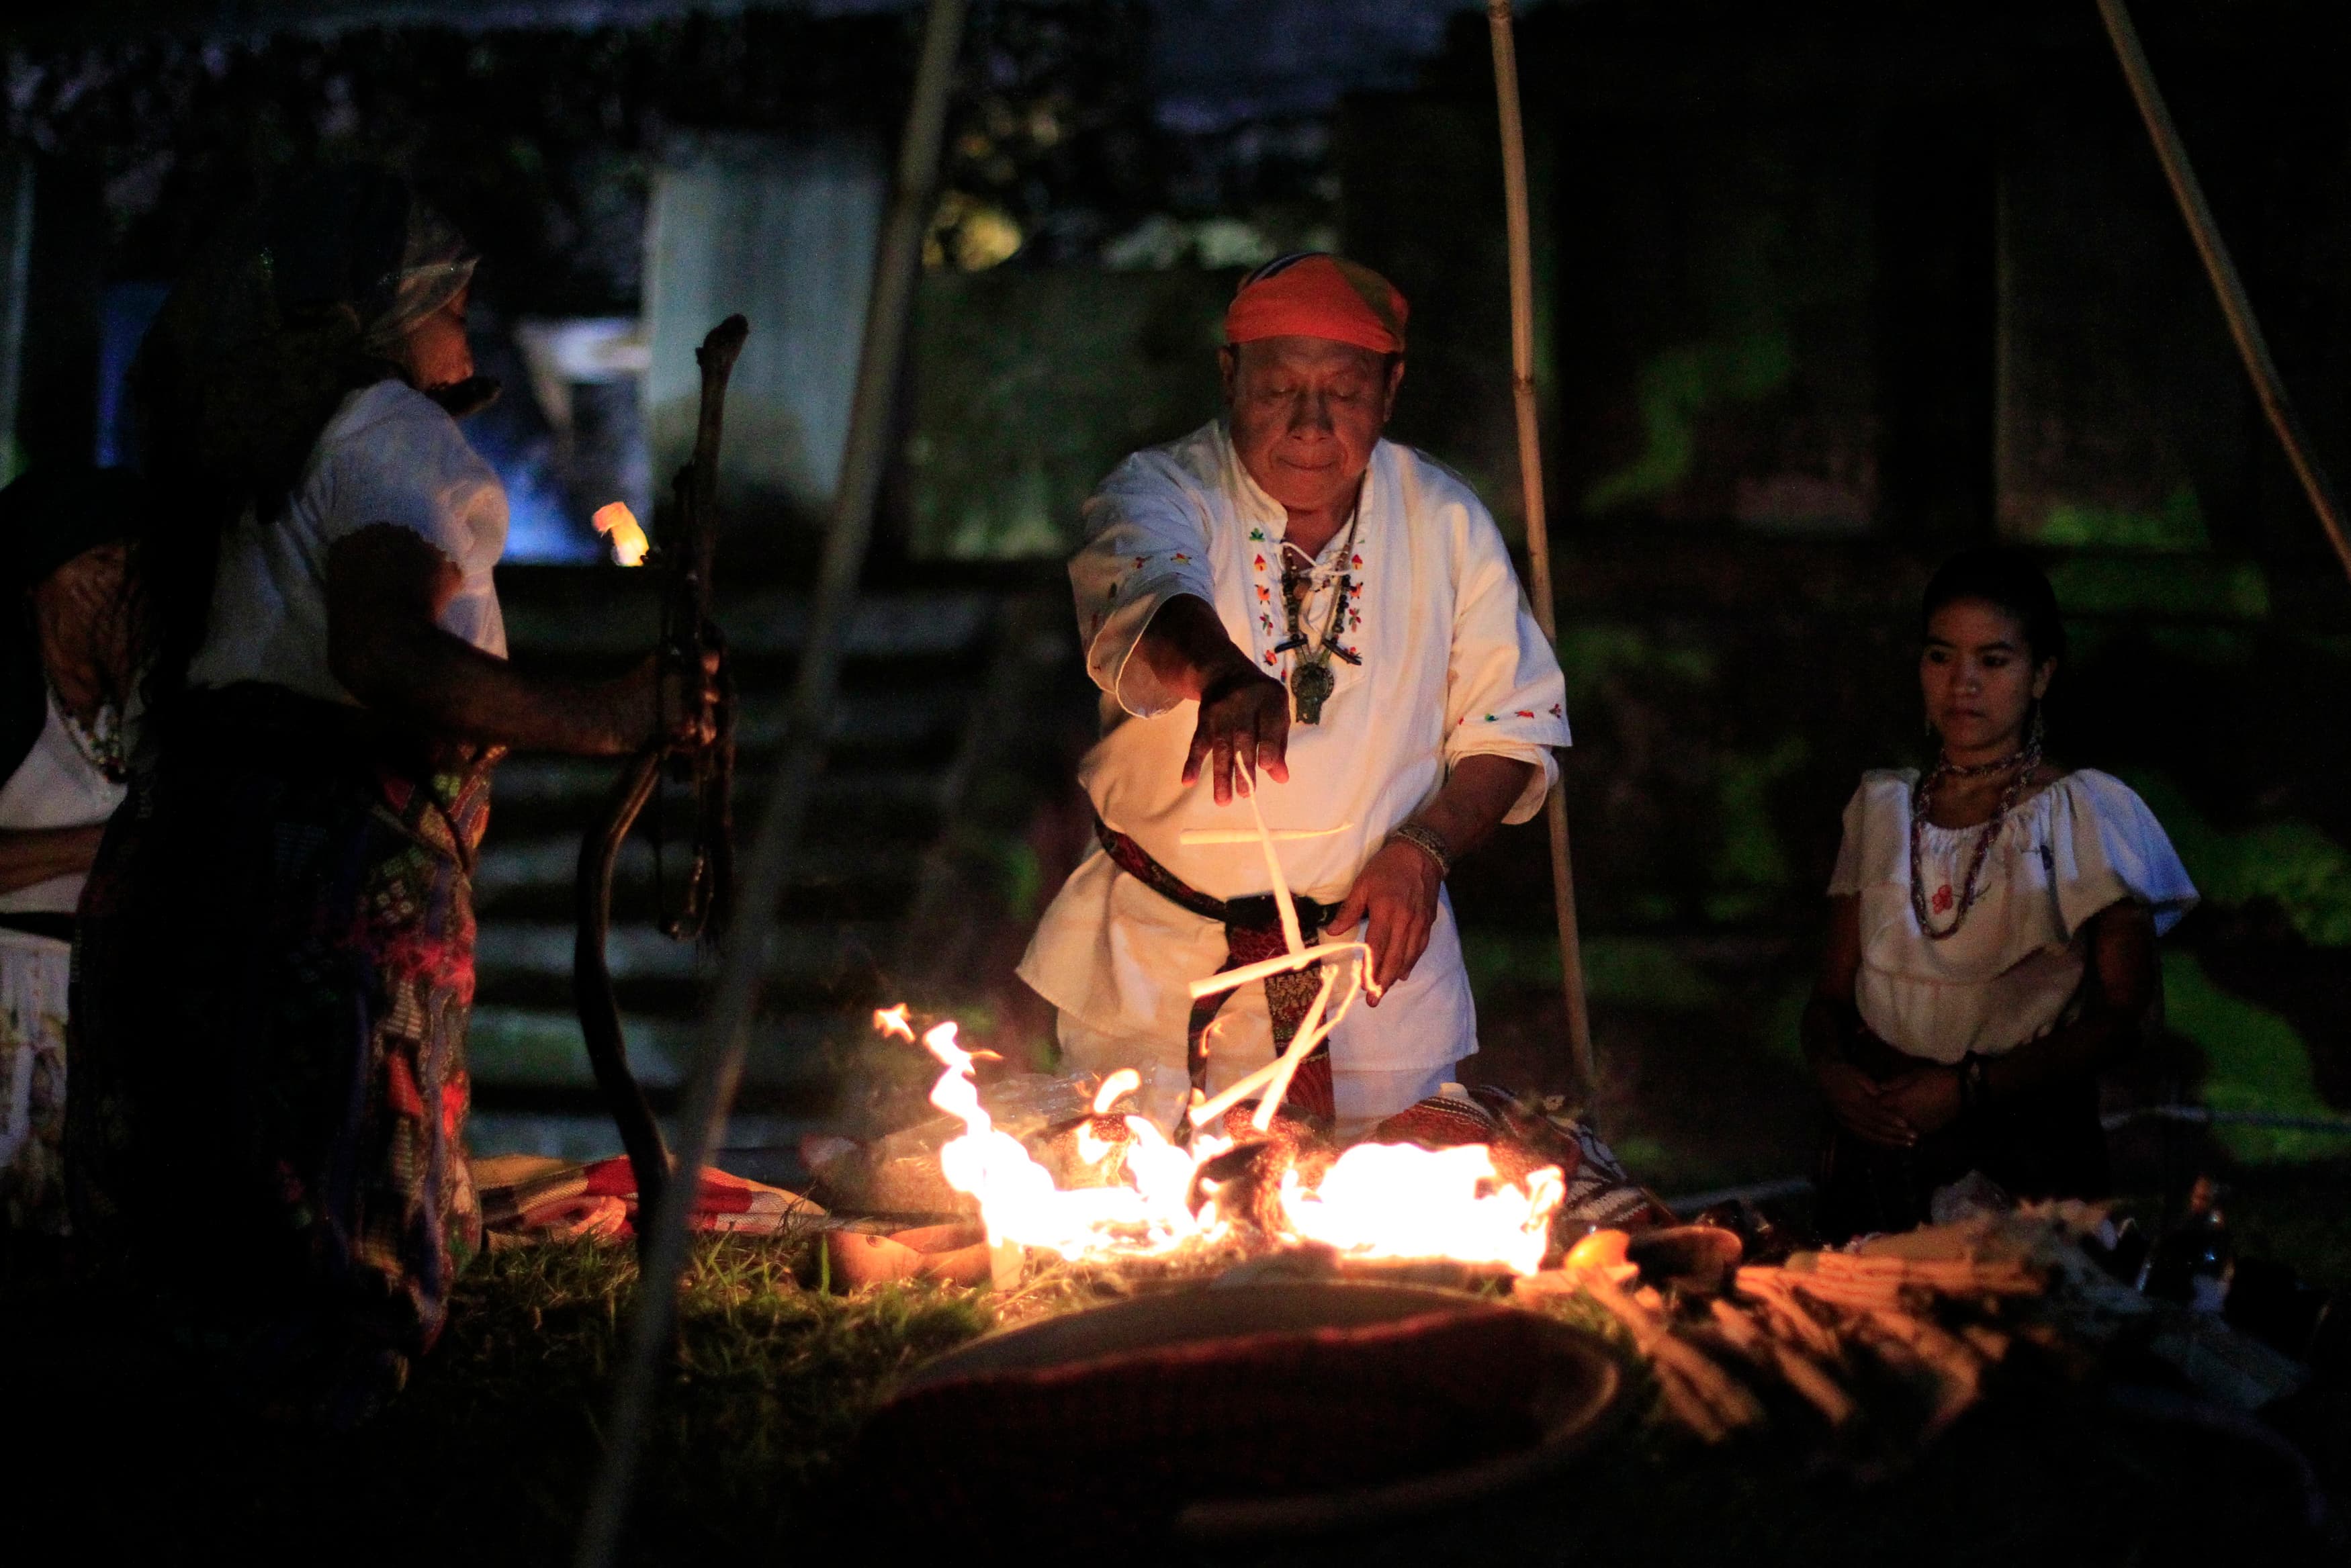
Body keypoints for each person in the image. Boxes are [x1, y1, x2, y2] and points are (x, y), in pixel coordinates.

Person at [64, 169, 716, 1420]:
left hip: (189, 850)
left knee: (202, 1197)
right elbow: (383, 651)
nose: (469, 337)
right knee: (333, 1193)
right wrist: (610, 714)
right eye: (455, 309)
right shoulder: (386, 432)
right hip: (329, 876)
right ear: (390, 310)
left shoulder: (247, 445)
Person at [1017, 252, 1570, 1138]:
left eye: (1344, 392)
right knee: (1149, 1231)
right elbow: (1154, 594)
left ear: (1390, 389)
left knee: (1385, 1236)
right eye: (1279, 389)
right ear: (1230, 376)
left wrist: (1423, 850)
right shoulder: (1161, 489)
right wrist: (1223, 671)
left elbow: (1511, 723)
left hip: (1379, 978)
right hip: (1162, 979)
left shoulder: (1446, 520)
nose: (1312, 423)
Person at [1803, 547, 2197, 1238]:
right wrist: (1835, 1074)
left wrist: (1967, 1090)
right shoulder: (1882, 808)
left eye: (1992, 660)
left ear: (2040, 673)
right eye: (1939, 656)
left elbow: (2125, 1017)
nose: (1962, 684)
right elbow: (1830, 997)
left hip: (2026, 1153)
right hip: (1882, 1146)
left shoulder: (2082, 812)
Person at [0, 467, 146, 1235]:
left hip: (100, 1009)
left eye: (130, 563)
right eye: (96, 563)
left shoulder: (142, 706)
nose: (118, 583)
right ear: (37, 580)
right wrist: (100, 845)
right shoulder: (11, 694)